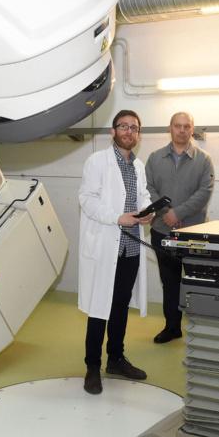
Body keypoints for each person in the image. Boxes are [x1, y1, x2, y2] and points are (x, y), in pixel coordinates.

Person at [77, 110, 153, 395]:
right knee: (100, 307)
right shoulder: (97, 161)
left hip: (130, 246)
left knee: (120, 305)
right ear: (113, 131)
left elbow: (142, 196)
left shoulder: (139, 166)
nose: (129, 131)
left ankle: (116, 359)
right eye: (124, 126)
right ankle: (92, 366)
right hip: (105, 244)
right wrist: (117, 217)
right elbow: (86, 199)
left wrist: (147, 212)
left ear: (138, 134)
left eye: (134, 127)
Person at [145, 112, 214, 344]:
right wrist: (166, 213)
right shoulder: (154, 158)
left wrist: (178, 213)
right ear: (170, 128)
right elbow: (148, 189)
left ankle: (201, 329)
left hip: (194, 233)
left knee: (198, 282)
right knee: (170, 282)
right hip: (162, 231)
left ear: (192, 129)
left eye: (186, 126)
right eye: (178, 126)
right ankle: (172, 327)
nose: (182, 130)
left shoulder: (204, 160)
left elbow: (204, 192)